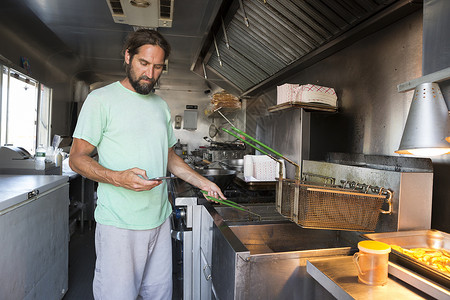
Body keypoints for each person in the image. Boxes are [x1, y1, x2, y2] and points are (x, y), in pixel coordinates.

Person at [69, 29, 225, 300]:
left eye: (157, 67)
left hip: (159, 221)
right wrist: (119, 178)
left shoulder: (160, 106)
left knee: (159, 295)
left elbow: (168, 157)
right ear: (128, 56)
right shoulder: (100, 100)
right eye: (144, 64)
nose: (150, 74)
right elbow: (77, 159)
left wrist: (203, 182)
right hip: (119, 225)